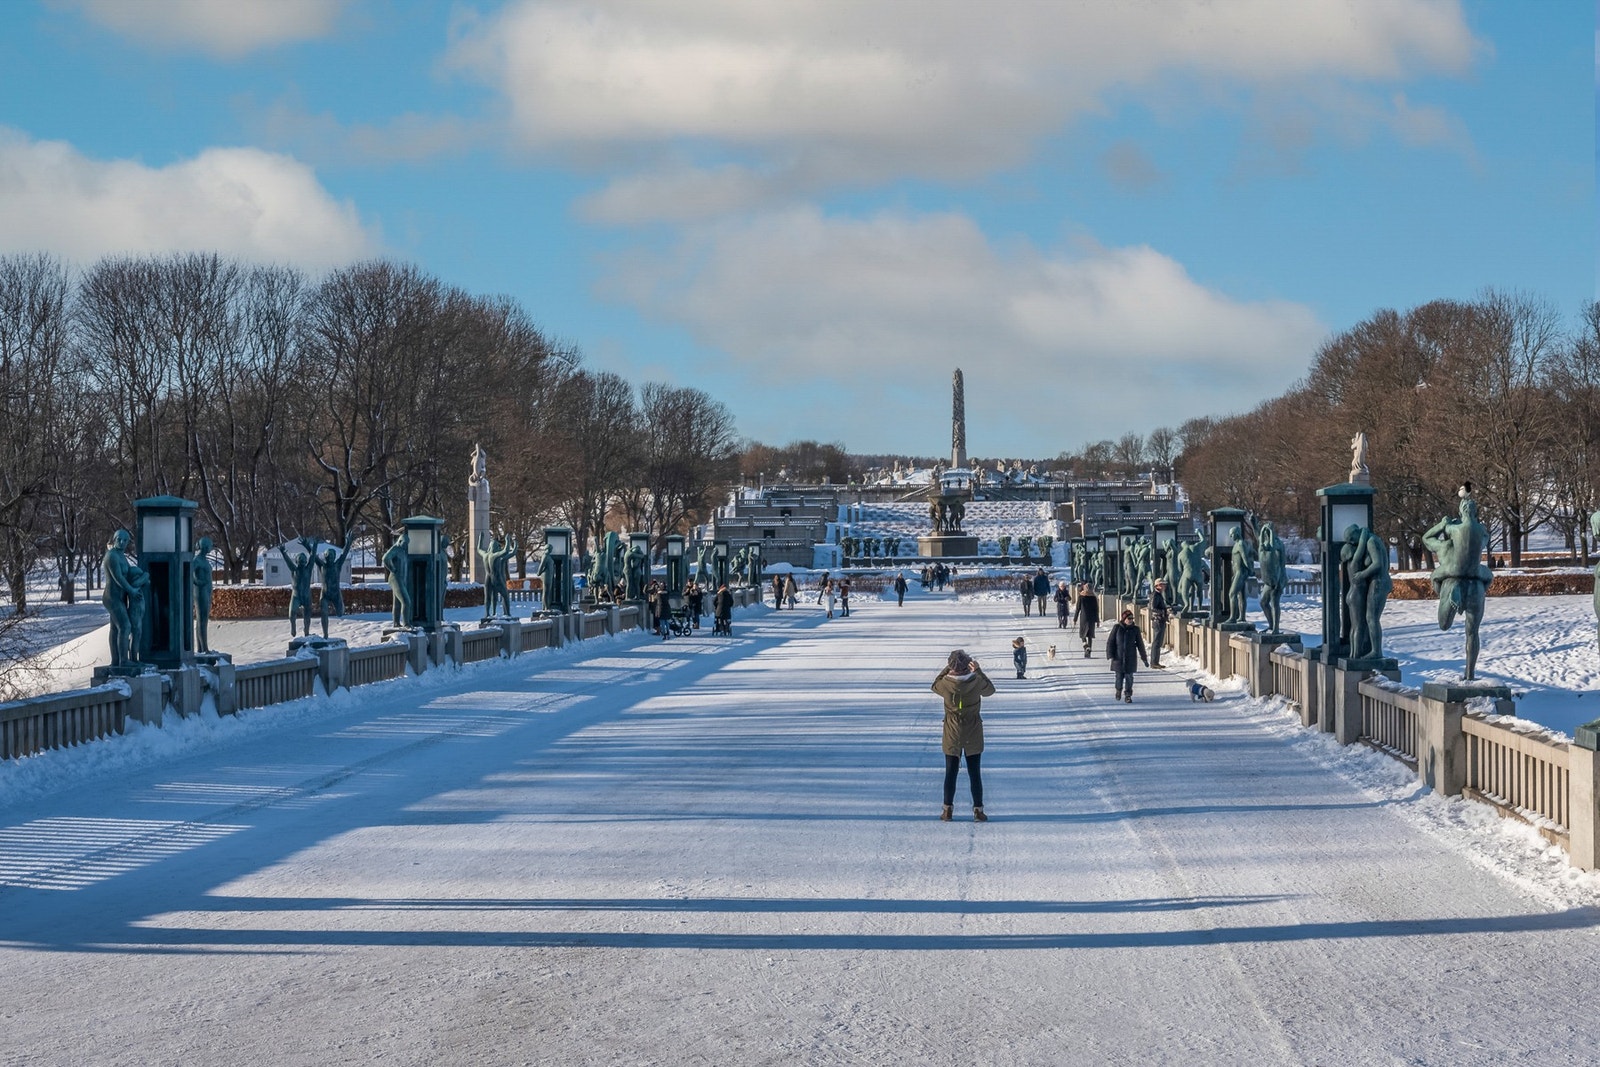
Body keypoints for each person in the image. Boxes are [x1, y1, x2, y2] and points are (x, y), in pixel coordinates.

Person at [931, 649, 995, 822]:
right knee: (975, 773)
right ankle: (978, 811)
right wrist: (978, 671)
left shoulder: (945, 683)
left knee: (950, 773)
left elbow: (934, 685)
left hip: (952, 731)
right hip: (973, 730)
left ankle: (947, 810)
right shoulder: (976, 680)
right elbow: (990, 690)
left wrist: (947, 669)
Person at [1106, 607, 1149, 703]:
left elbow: (1140, 645)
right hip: (1118, 658)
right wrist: (1110, 654)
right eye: (1129, 618)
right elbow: (1110, 642)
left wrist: (1144, 658)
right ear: (1124, 619)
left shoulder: (1135, 630)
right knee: (1119, 677)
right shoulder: (1117, 628)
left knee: (1129, 677)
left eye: (1132, 619)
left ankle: (1128, 695)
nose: (1130, 620)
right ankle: (1118, 690)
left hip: (1130, 658)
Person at [1073, 581, 1100, 658]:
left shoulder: (1081, 597)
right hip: (1091, 618)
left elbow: (1078, 609)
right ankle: (1089, 649)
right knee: (1090, 635)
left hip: (1083, 618)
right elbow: (1096, 610)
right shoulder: (1093, 597)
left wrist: (1075, 619)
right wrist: (1097, 621)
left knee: (1082, 634)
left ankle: (1086, 647)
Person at [1149, 578, 1170, 669]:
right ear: (1157, 586)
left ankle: (1155, 661)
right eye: (1162, 584)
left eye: (1164, 584)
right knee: (1157, 642)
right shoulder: (1155, 595)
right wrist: (1164, 612)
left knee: (1158, 642)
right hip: (1158, 621)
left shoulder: (1158, 595)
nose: (1164, 586)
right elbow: (1153, 608)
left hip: (1159, 620)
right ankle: (1154, 662)